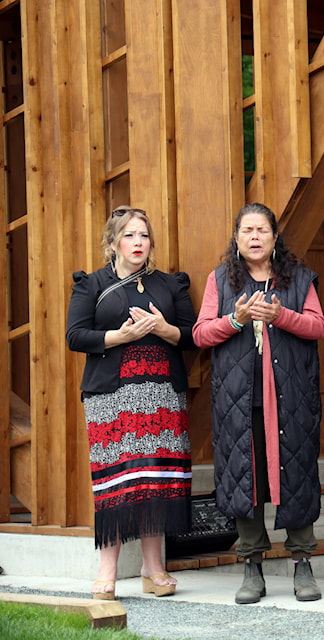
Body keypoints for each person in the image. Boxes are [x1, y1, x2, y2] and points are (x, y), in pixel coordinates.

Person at [193, 202, 324, 604]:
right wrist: (234, 320)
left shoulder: (299, 279)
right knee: (244, 479)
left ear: (274, 238)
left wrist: (280, 315)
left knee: (296, 474)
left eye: (262, 231)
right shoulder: (220, 280)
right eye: (247, 231)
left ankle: (302, 563)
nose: (254, 237)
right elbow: (201, 334)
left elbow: (318, 326)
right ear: (236, 239)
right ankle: (251, 566)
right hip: (239, 401)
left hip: (291, 399)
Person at [66, 206, 195, 600]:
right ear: (112, 242)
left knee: (155, 479)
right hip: (111, 397)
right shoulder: (91, 284)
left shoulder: (170, 284)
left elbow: (192, 335)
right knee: (117, 480)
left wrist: (164, 328)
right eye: (129, 235)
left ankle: (153, 569)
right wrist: (118, 337)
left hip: (161, 395)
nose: (138, 243)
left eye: (143, 235)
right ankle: (108, 569)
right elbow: (75, 336)